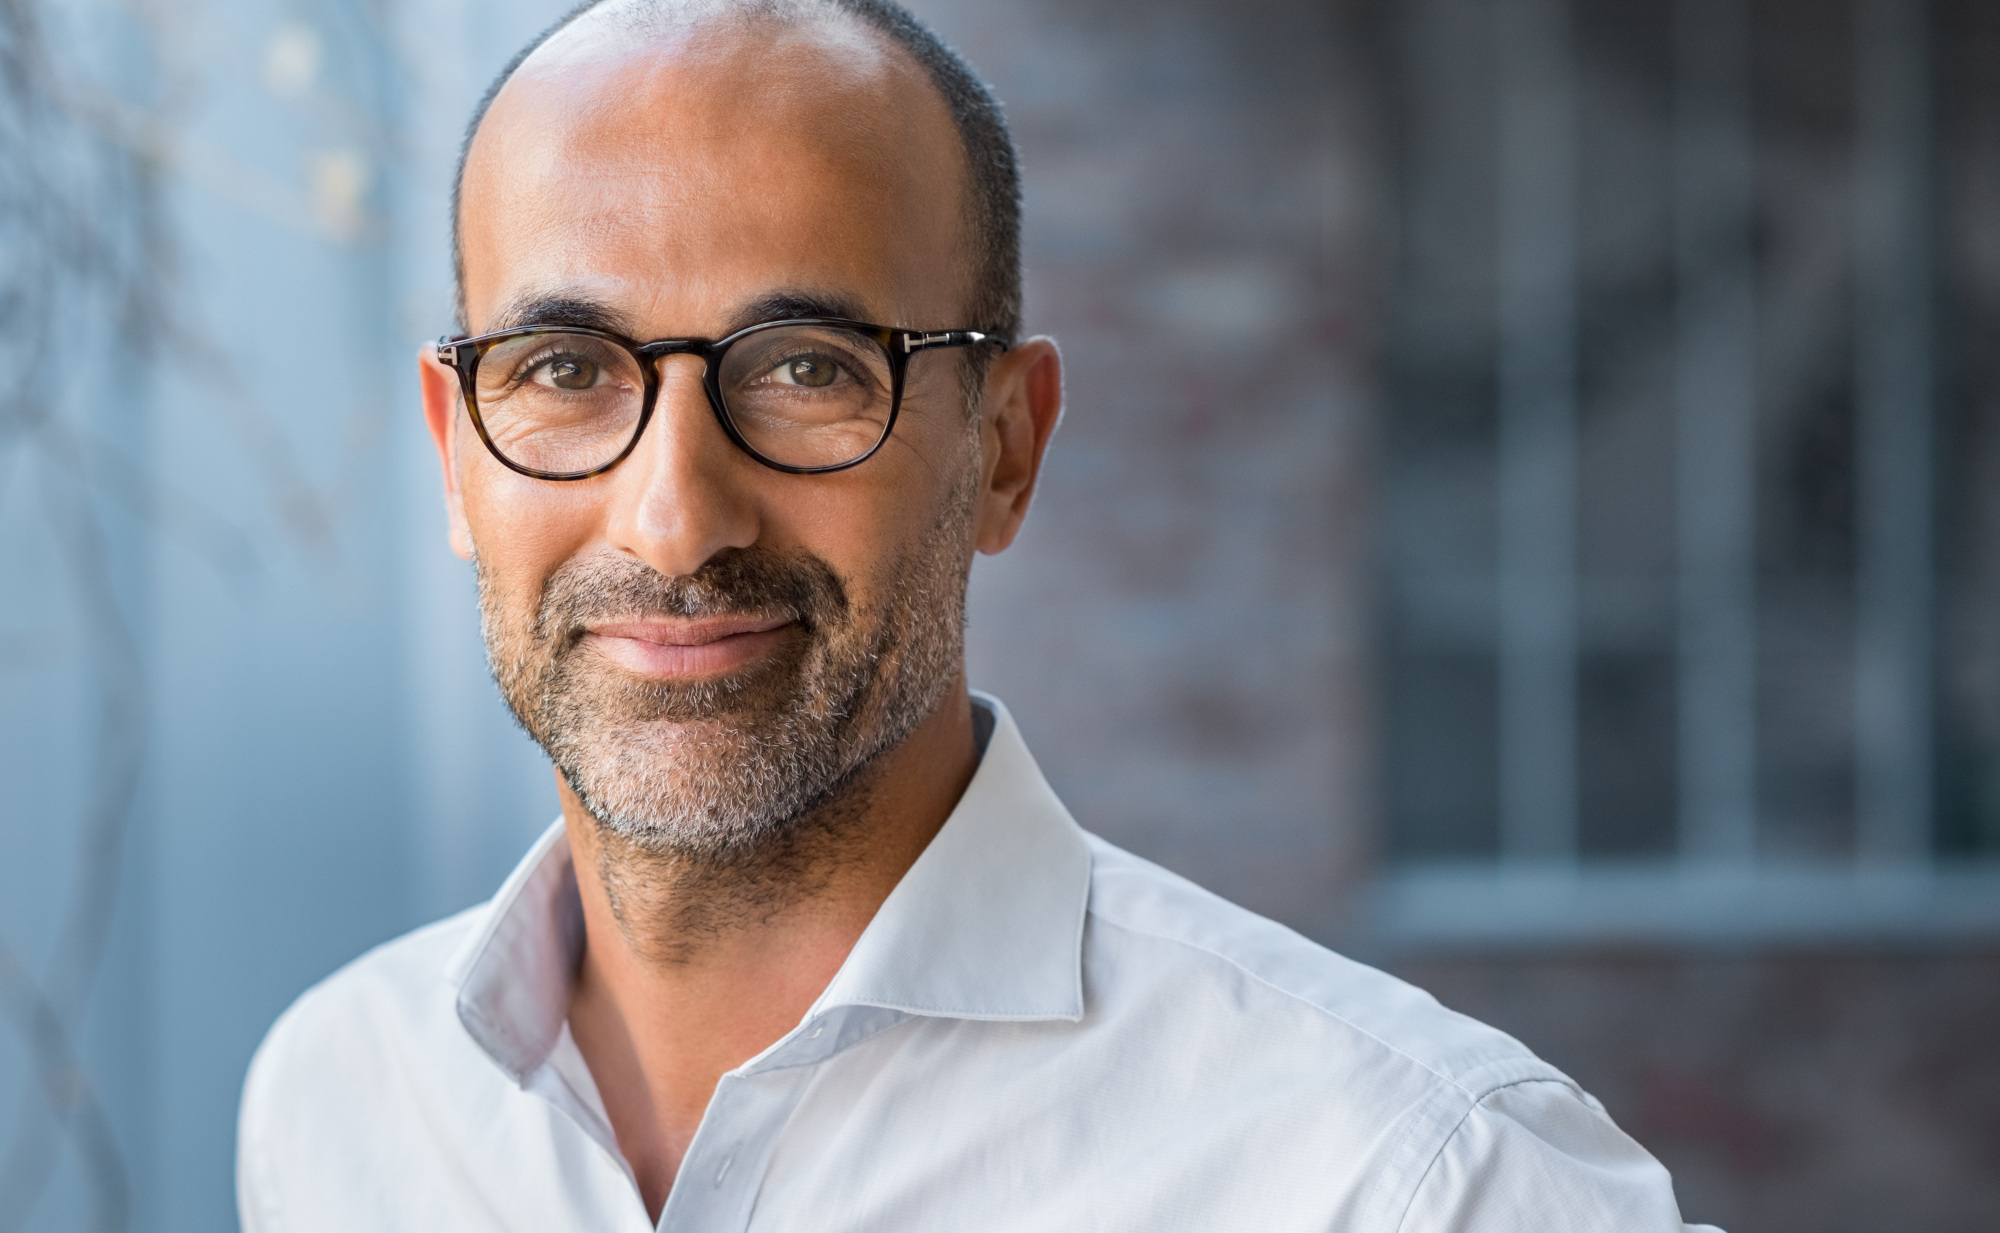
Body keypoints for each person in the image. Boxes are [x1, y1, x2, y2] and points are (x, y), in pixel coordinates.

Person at [236, 1, 1720, 1229]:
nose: (675, 517)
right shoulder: (346, 1101)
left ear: (1004, 448)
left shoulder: (1419, 1182)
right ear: (454, 451)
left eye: (808, 366)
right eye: (564, 369)